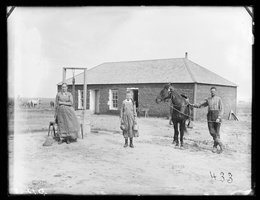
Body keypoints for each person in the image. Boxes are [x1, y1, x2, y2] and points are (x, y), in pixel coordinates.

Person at [190, 87, 224, 153]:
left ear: (216, 92)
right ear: (210, 92)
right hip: (210, 116)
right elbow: (200, 104)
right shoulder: (208, 99)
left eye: (214, 91)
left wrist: (219, 117)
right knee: (211, 131)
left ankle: (215, 146)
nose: (212, 92)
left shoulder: (219, 99)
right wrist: (192, 105)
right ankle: (220, 143)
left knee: (217, 132)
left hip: (217, 116)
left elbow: (222, 109)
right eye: (211, 91)